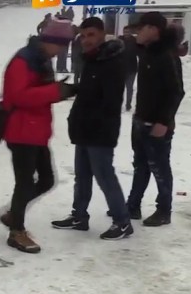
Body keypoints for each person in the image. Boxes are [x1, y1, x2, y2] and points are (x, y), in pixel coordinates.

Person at [0, 19, 77, 254]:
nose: (62, 51)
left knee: (46, 180)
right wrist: (56, 91)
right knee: (24, 182)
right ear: (51, 41)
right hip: (21, 131)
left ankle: (14, 214)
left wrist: (61, 90)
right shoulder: (24, 60)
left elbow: (38, 91)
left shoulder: (41, 60)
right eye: (62, 46)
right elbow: (18, 96)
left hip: (36, 131)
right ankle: (16, 232)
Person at [50, 17, 133, 240]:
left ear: (102, 34)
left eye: (92, 35)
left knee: (105, 177)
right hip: (85, 130)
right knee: (82, 176)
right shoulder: (93, 59)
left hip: (100, 132)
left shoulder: (111, 62)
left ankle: (122, 221)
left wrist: (90, 119)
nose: (86, 40)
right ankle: (79, 216)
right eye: (84, 36)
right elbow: (89, 92)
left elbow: (109, 102)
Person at [125, 12, 185, 226]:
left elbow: (176, 92)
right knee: (140, 165)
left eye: (141, 28)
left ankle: (164, 210)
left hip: (158, 125)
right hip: (141, 120)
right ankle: (132, 205)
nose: (137, 32)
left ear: (153, 30)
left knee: (160, 167)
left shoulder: (166, 56)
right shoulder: (149, 52)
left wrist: (163, 121)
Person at [119, 25, 140, 111]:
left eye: (128, 32)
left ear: (130, 32)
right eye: (125, 32)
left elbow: (139, 52)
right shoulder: (120, 40)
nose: (126, 34)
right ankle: (119, 103)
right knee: (120, 88)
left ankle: (128, 104)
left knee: (129, 88)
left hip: (132, 68)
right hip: (121, 68)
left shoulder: (135, 41)